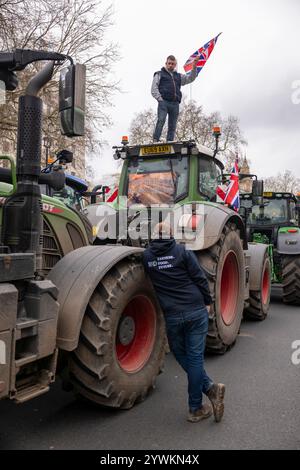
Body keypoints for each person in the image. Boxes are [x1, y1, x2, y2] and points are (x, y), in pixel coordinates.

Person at [142, 222, 225, 423]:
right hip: (195, 310)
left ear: (154, 236)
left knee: (180, 354)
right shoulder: (182, 251)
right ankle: (197, 405)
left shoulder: (146, 257)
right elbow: (200, 279)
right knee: (195, 358)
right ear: (171, 235)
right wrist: (208, 302)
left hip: (172, 315)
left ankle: (208, 391)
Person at [151, 55, 199, 142]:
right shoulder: (159, 74)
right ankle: (155, 139)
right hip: (164, 102)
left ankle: (169, 141)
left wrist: (194, 65)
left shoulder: (179, 76)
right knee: (161, 120)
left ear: (175, 65)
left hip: (175, 104)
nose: (170, 65)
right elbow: (154, 89)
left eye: (173, 64)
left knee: (172, 125)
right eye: (169, 63)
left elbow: (191, 78)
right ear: (166, 63)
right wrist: (160, 99)